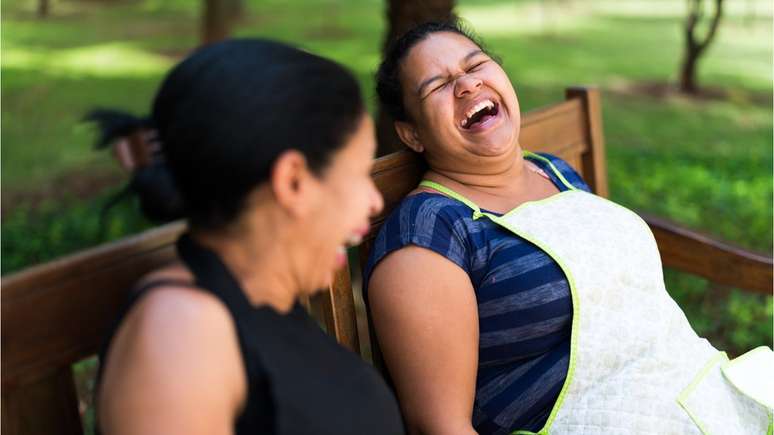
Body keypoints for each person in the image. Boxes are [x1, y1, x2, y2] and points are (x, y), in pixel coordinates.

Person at [365, 21, 770, 435]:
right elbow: (441, 426)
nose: (467, 85)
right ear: (412, 134)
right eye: (438, 85)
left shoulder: (553, 172)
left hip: (697, 401)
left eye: (476, 65)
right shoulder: (429, 234)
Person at [91, 39, 404, 435]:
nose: (374, 201)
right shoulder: (181, 333)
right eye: (358, 173)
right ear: (293, 181)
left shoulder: (260, 298)